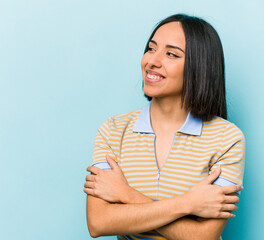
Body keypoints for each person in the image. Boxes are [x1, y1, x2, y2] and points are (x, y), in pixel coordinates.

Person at [84, 14, 245, 240]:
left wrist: (126, 195)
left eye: (171, 54)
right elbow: (98, 223)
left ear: (199, 67)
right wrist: (189, 203)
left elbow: (202, 237)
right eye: (151, 49)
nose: (152, 61)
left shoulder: (227, 138)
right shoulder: (113, 129)